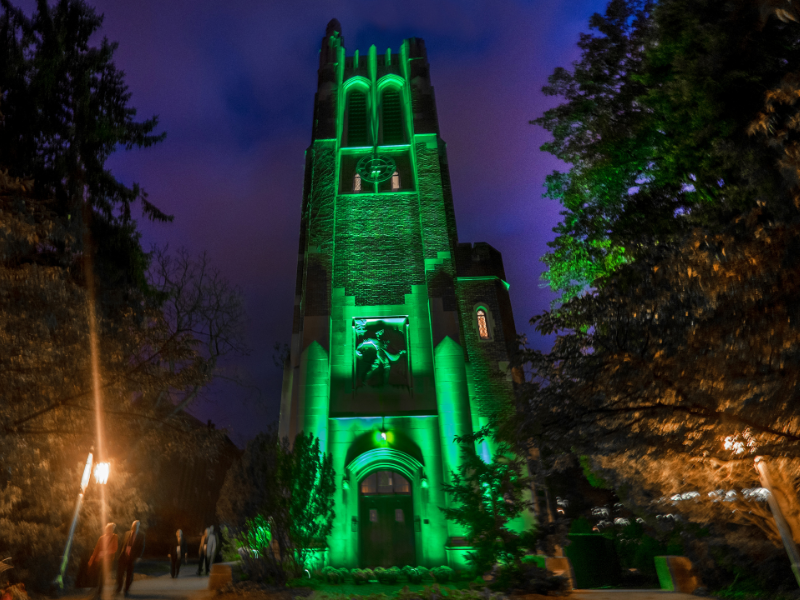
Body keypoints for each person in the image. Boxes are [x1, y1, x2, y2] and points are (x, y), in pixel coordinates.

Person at [88, 523, 118, 599]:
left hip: (107, 561)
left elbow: (115, 548)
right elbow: (96, 549)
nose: (109, 530)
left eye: (110, 529)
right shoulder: (101, 538)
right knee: (97, 574)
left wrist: (106, 552)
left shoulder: (114, 537)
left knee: (103, 576)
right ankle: (96, 588)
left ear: (112, 529)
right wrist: (92, 559)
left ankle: (99, 591)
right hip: (99, 559)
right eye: (108, 528)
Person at [115, 520, 145, 596]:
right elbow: (122, 544)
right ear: (132, 525)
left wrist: (138, 556)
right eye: (133, 525)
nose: (134, 527)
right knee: (120, 574)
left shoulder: (141, 535)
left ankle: (126, 589)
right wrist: (119, 554)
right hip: (123, 556)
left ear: (138, 526)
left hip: (132, 557)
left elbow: (141, 547)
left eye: (136, 526)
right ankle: (118, 588)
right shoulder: (127, 533)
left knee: (129, 574)